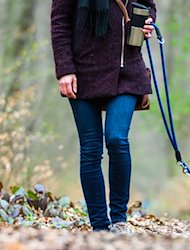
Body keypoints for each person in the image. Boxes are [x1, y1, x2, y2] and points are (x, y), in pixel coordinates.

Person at [50, 0, 157, 233]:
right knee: (91, 148)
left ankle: (118, 219)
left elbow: (148, 5)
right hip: (83, 72)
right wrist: (65, 69)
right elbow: (59, 24)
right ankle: (99, 226)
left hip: (126, 71)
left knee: (117, 139)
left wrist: (148, 23)